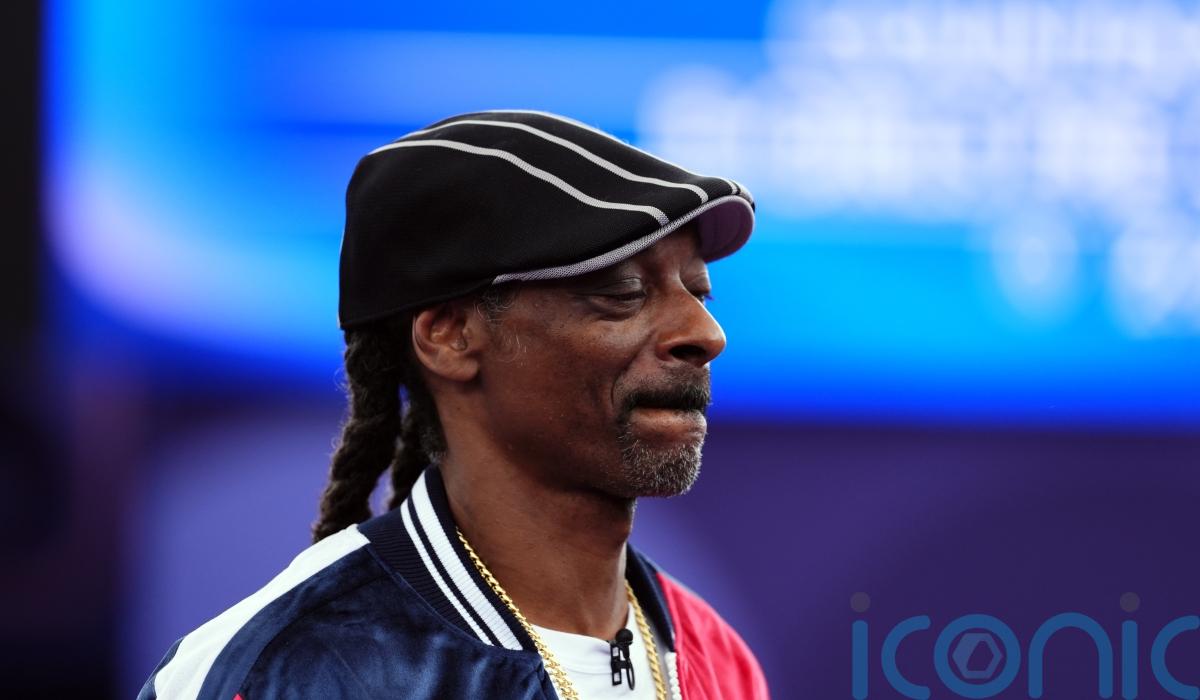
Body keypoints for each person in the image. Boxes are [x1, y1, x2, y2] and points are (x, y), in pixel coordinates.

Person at [138, 110, 769, 699]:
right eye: (623, 292)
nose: (706, 334)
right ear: (449, 335)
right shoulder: (281, 670)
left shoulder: (718, 657)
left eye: (698, 293)